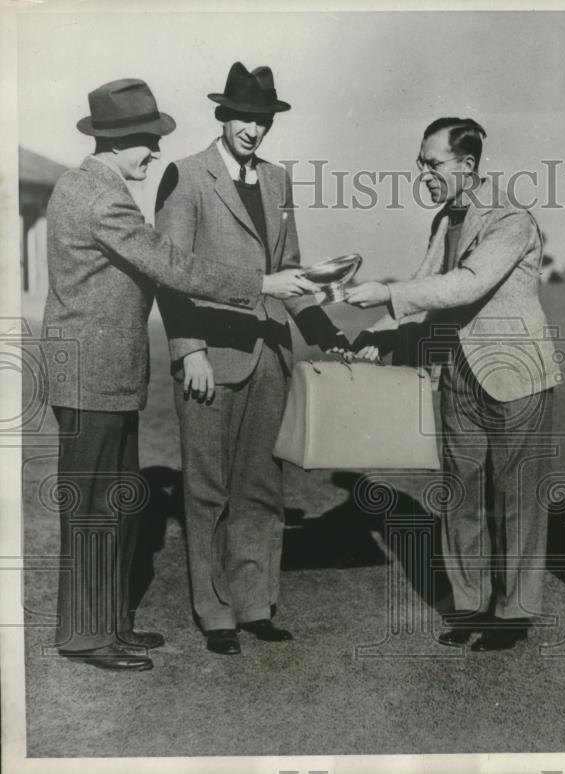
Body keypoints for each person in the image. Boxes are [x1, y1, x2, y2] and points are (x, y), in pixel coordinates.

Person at [42, 78, 317, 672]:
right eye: (147, 142)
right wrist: (260, 285)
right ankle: (87, 636)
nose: (155, 153)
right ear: (119, 143)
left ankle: (109, 626)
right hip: (93, 373)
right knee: (95, 507)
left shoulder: (89, 184)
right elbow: (169, 263)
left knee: (113, 504)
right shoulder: (101, 197)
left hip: (104, 374)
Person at [155, 62, 350, 656]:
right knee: (208, 490)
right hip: (210, 359)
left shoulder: (278, 180)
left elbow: (292, 273)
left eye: (262, 120)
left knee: (264, 489)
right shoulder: (185, 177)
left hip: (269, 360)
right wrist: (189, 352)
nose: (253, 129)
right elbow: (170, 274)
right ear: (224, 115)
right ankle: (215, 613)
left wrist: (329, 335)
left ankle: (255, 605)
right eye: (243, 117)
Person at [346, 117, 561, 651]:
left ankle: (513, 613)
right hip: (456, 375)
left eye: (432, 163)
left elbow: (468, 284)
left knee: (518, 499)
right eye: (420, 163)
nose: (423, 174)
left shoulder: (511, 218)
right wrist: (375, 336)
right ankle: (468, 605)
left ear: (467, 165)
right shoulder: (446, 219)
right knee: (460, 495)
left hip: (518, 377)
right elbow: (427, 279)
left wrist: (388, 294)